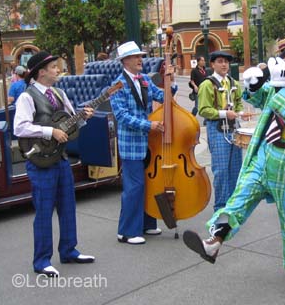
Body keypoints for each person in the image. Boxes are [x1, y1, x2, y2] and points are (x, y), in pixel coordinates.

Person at [184, 13, 285, 287]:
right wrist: (255, 84)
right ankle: (214, 242)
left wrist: (282, 89)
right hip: (266, 155)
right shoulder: (283, 81)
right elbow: (263, 100)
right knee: (240, 196)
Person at [13, 51, 95, 277]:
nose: (58, 70)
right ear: (41, 72)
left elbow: (70, 124)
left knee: (68, 207)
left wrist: (84, 117)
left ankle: (69, 250)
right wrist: (50, 131)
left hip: (60, 159)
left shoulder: (59, 93)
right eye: (53, 67)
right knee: (44, 211)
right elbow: (19, 128)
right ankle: (41, 260)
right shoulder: (26, 97)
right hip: (40, 161)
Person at [110, 41, 176, 245]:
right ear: (125, 61)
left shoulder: (145, 79)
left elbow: (166, 97)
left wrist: (170, 80)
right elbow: (122, 116)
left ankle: (147, 224)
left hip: (149, 144)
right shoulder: (116, 86)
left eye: (140, 56)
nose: (141, 60)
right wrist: (149, 125)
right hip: (131, 144)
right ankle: (127, 231)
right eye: (136, 56)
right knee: (134, 187)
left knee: (148, 185)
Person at [197, 51, 245, 211]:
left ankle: (233, 207)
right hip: (217, 128)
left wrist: (240, 112)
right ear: (213, 64)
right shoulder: (207, 85)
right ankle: (220, 208)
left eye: (226, 62)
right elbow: (203, 110)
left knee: (236, 168)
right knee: (222, 170)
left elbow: (238, 103)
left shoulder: (234, 83)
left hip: (234, 128)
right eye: (220, 61)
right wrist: (224, 113)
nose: (224, 64)